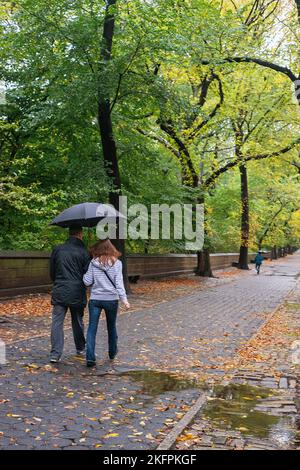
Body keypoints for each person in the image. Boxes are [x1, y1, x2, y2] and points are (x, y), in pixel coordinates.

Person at [83, 239, 130, 368]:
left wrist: (84, 273)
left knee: (92, 328)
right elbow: (119, 283)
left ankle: (90, 358)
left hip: (96, 299)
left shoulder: (93, 263)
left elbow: (87, 282)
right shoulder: (117, 263)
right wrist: (124, 300)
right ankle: (112, 352)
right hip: (111, 300)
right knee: (111, 326)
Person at [49, 225, 91, 363]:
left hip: (60, 289)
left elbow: (52, 271)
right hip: (77, 291)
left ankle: (55, 354)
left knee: (57, 322)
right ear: (80, 234)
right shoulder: (84, 252)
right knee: (77, 321)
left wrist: (58, 282)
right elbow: (87, 275)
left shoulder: (58, 249)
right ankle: (80, 348)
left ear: (69, 234)